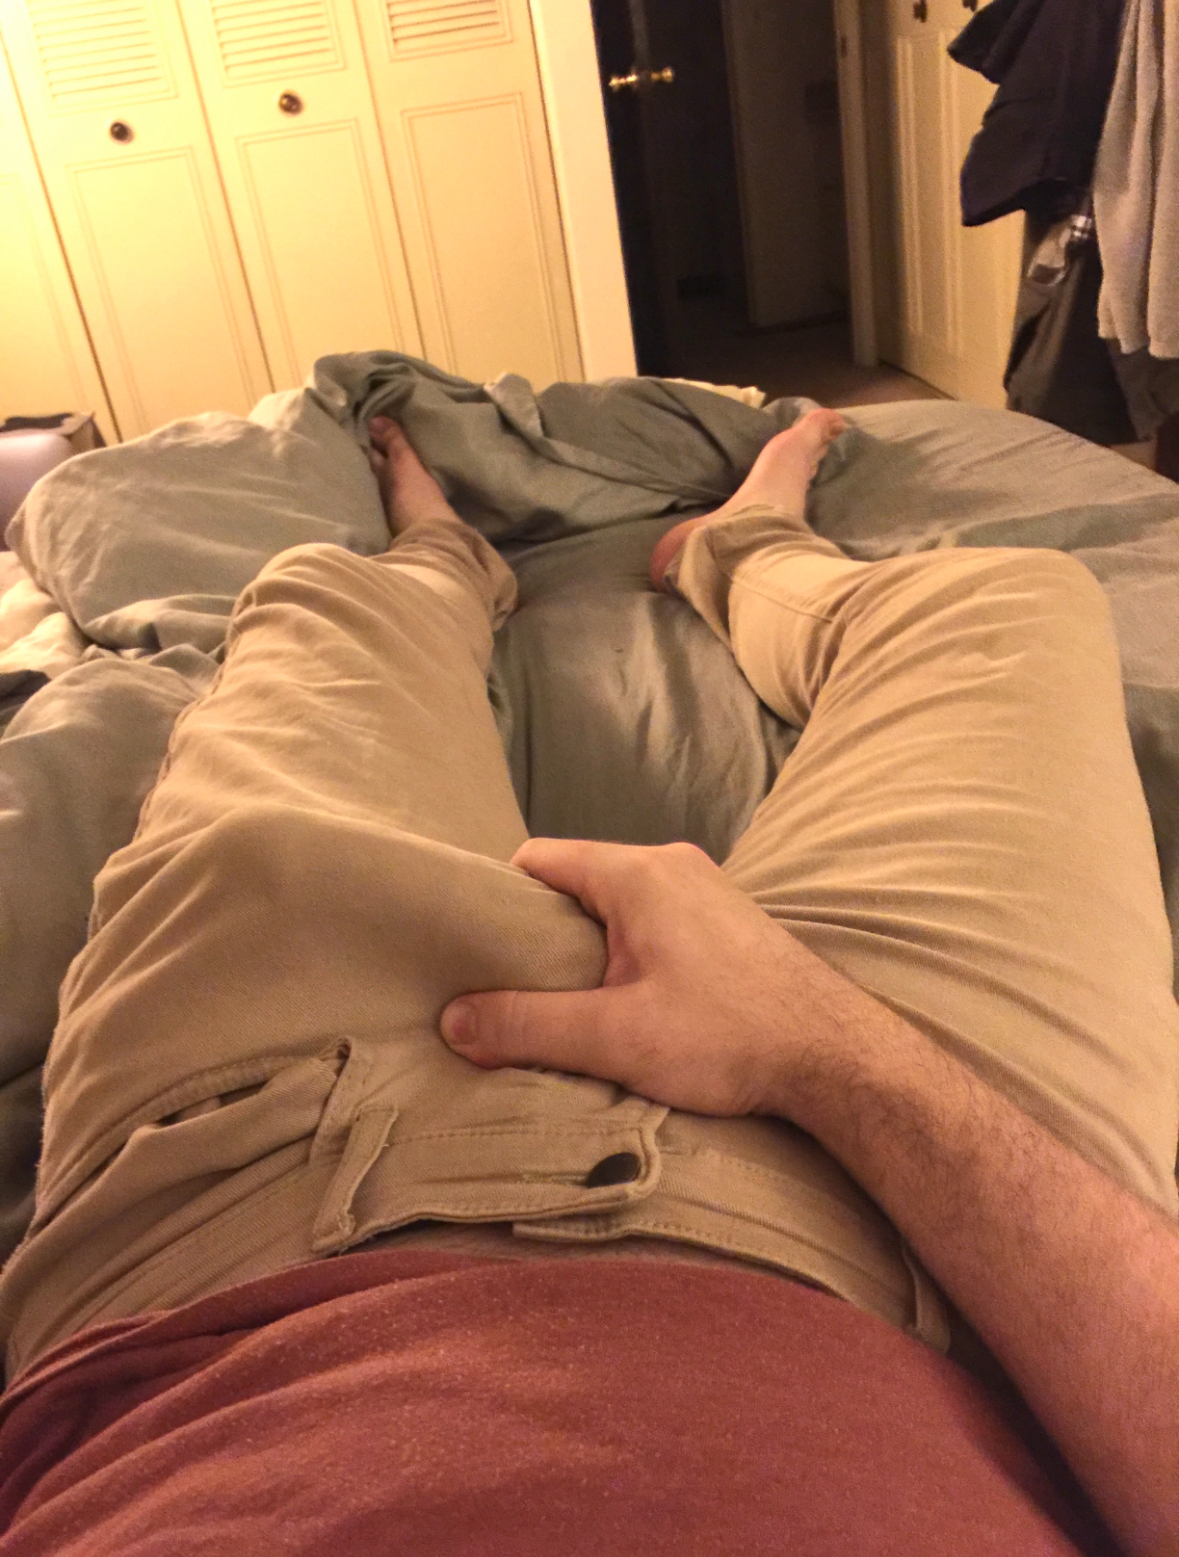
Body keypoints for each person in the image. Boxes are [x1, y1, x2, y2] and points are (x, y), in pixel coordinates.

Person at [0, 407, 1176, 1557]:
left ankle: (523, 558)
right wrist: (829, 1046)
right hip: (938, 1268)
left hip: (229, 1226)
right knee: (1003, 605)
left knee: (317, 603)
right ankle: (684, 549)